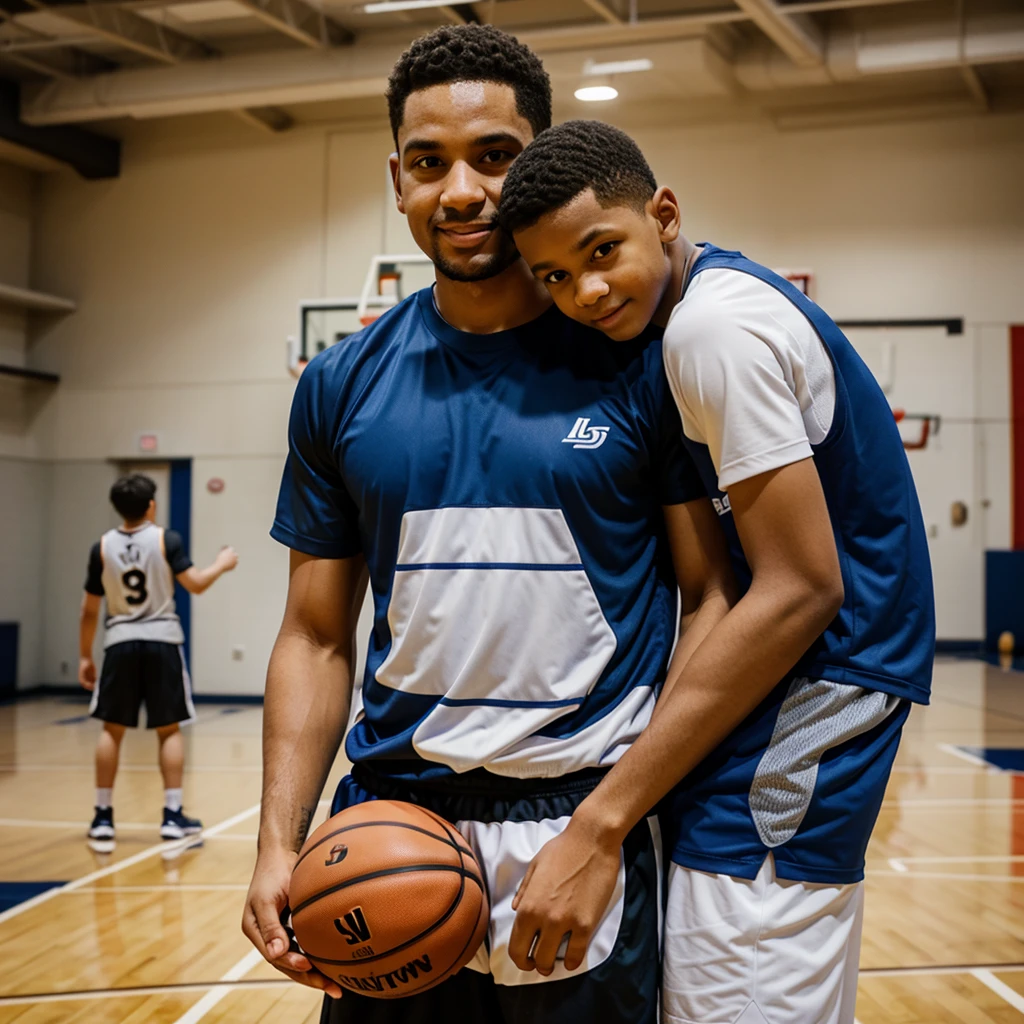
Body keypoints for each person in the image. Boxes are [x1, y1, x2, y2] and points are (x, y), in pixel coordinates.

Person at [241, 25, 735, 1024]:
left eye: (495, 158)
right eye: (429, 163)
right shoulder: (339, 383)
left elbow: (711, 601)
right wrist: (277, 842)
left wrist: (605, 826)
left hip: (580, 824)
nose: (460, 192)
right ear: (396, 178)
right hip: (388, 831)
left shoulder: (638, 359)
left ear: (539, 164)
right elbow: (315, 632)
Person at [497, 119, 935, 1024]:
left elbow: (803, 588)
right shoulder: (710, 306)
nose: (584, 290)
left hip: (803, 715)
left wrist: (602, 817)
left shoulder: (712, 330)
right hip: (777, 713)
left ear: (663, 213)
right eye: (552, 276)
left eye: (600, 250)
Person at [80, 473, 238, 851]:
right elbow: (196, 584)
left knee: (111, 729)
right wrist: (221, 563)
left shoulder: (101, 547)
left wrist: (86, 654)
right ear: (151, 505)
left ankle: (103, 818)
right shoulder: (167, 539)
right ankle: (172, 815)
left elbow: (89, 611)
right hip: (162, 640)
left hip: (119, 642)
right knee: (168, 729)